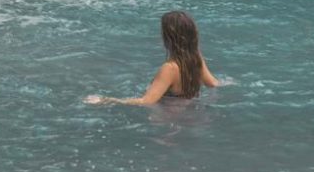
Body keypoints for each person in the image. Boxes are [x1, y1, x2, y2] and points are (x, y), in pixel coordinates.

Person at [85, 11, 219, 105]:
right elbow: (212, 83)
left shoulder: (170, 68)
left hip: (169, 119)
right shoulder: (195, 58)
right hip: (190, 115)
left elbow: (147, 101)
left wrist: (107, 100)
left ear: (168, 38)